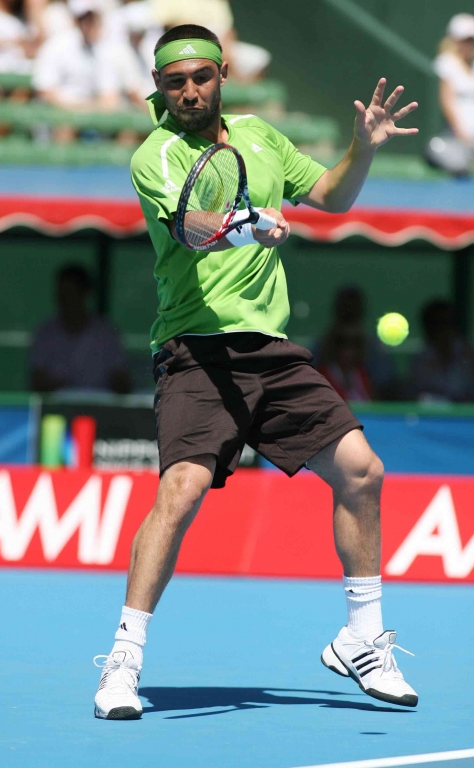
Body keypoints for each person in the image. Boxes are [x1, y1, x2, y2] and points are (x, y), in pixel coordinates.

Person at [93, 24, 419, 721]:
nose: (188, 92)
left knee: (363, 471)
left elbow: (330, 195)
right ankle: (123, 660)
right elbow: (189, 226)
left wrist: (362, 148)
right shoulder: (155, 154)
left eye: (200, 77)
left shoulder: (262, 137)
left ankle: (362, 639)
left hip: (269, 350)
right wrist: (248, 224)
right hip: (195, 350)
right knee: (181, 490)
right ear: (159, 88)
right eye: (174, 82)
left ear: (222, 74)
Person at [30, 263, 131, 393]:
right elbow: (37, 381)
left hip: (99, 404)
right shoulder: (44, 333)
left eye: (70, 293)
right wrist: (59, 387)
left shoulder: (107, 333)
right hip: (58, 405)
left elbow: (121, 380)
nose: (64, 300)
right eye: (61, 294)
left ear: (84, 293)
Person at [33, 0, 147, 115]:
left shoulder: (104, 50)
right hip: (59, 116)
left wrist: (86, 108)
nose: (90, 24)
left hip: (91, 116)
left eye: (93, 18)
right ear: (76, 20)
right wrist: (81, 107)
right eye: (85, 19)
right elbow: (45, 92)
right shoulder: (56, 45)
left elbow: (110, 98)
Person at [314, 286, 397, 400]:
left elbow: (386, 385)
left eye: (354, 345)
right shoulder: (318, 356)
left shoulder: (373, 355)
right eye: (342, 343)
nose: (348, 352)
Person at [428, 13, 474, 175]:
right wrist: (462, 134)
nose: (469, 45)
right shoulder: (447, 63)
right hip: (458, 140)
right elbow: (447, 101)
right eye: (465, 40)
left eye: (472, 41)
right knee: (436, 149)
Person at [410, 299, 474, 403]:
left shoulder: (470, 353)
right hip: (434, 412)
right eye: (436, 324)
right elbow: (420, 394)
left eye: (447, 323)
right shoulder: (420, 359)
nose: (443, 330)